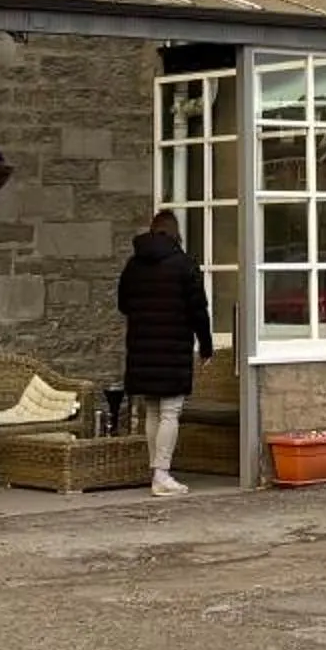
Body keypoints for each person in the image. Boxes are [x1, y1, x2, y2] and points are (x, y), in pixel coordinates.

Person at [115, 208, 214, 497]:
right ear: (175, 232)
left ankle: (156, 471)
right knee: (171, 411)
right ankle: (162, 474)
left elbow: (123, 304)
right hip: (172, 349)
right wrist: (206, 345)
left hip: (142, 347)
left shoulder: (133, 264)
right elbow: (199, 310)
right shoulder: (184, 265)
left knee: (153, 410)